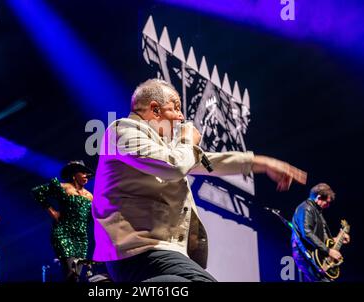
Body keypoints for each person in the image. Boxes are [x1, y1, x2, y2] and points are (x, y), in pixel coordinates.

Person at [91, 78, 307, 282]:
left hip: (157, 252)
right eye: (175, 107)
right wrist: (186, 141)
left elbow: (210, 162)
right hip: (136, 250)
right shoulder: (122, 129)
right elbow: (174, 165)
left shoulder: (166, 148)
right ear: (155, 109)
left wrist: (262, 163)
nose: (181, 117)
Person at [32, 160, 101, 282]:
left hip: (81, 237)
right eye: (83, 172)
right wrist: (52, 211)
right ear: (74, 174)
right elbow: (37, 191)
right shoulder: (64, 188)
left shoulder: (90, 196)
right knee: (71, 271)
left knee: (77, 275)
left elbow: (94, 216)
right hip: (63, 234)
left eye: (87, 173)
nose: (86, 175)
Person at [291, 183, 350, 282]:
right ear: (318, 197)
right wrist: (329, 251)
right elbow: (307, 233)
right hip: (304, 253)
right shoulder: (306, 208)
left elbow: (318, 234)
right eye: (326, 202)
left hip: (314, 254)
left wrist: (335, 239)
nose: (328, 206)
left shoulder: (316, 210)